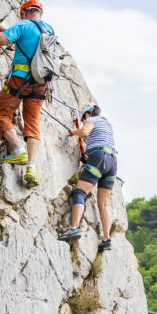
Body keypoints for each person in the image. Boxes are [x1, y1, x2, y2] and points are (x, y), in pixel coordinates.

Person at [0, 0, 53, 188]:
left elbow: (0, 41)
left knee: (3, 113)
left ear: (23, 13)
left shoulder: (22, 24)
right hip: (40, 83)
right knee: (32, 122)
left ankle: (18, 150)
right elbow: (27, 42)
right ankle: (31, 167)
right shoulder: (49, 30)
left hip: (19, 78)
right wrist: (5, 28)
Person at [58, 102, 117, 253]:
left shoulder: (92, 120)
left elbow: (84, 132)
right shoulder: (107, 123)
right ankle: (106, 239)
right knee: (103, 204)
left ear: (86, 114)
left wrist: (73, 132)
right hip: (112, 161)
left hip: (99, 157)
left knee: (80, 192)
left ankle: (74, 228)